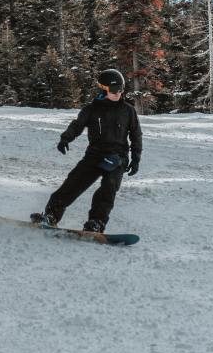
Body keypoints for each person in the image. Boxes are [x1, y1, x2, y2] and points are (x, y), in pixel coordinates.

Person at [31, 68, 142, 232]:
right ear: (103, 89)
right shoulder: (91, 110)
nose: (118, 93)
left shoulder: (128, 111)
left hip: (117, 158)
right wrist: (65, 138)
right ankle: (51, 216)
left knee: (108, 189)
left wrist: (136, 159)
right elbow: (77, 125)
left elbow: (136, 134)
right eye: (114, 89)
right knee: (71, 184)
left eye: (121, 89)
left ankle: (96, 223)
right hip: (95, 155)